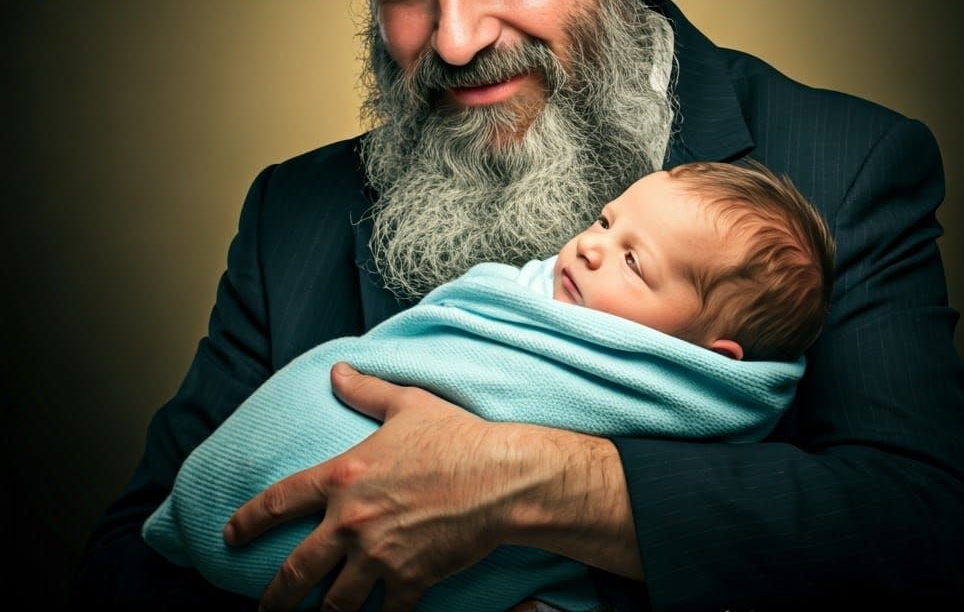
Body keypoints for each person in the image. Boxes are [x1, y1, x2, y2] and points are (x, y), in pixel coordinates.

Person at [74, 0, 964, 612]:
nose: (457, 36)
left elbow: (935, 540)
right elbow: (123, 573)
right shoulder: (291, 217)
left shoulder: (843, 168)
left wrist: (530, 483)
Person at [139, 161, 837, 609]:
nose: (591, 246)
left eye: (634, 262)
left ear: (707, 354)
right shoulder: (287, 203)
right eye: (605, 220)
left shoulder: (674, 394)